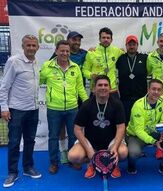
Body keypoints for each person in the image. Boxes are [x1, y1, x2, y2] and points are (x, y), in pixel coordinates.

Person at [40, 40, 88, 174]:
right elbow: (38, 82)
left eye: (67, 51)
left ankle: (74, 160)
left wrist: (87, 103)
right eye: (62, 50)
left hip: (73, 108)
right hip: (54, 109)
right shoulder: (47, 66)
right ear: (56, 51)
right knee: (53, 136)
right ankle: (54, 163)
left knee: (73, 136)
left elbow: (80, 88)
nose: (65, 53)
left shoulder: (75, 67)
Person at [0, 35, 41, 187]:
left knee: (30, 140)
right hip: (16, 110)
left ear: (37, 47)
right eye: (28, 45)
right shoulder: (13, 61)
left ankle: (28, 167)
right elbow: (4, 87)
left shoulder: (36, 62)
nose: (31, 48)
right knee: (14, 142)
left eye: (33, 45)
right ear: (23, 46)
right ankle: (12, 172)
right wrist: (4, 108)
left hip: (33, 109)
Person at [68, 75, 128, 179]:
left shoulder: (117, 104)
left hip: (111, 141)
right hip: (90, 142)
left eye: (106, 85)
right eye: (100, 85)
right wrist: (88, 150)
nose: (103, 87)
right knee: (73, 156)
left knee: (123, 152)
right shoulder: (86, 105)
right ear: (94, 88)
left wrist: (114, 147)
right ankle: (92, 163)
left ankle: (113, 164)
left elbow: (121, 128)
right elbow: (77, 129)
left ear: (110, 88)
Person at [49, 31, 88, 165]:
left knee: (75, 131)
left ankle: (73, 156)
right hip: (58, 101)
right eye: (74, 40)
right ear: (68, 41)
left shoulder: (84, 54)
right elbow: (47, 74)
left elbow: (94, 58)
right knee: (60, 130)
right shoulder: (55, 56)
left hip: (76, 98)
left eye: (78, 40)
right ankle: (62, 152)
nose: (76, 42)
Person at [126, 79, 163, 176]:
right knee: (134, 153)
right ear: (148, 89)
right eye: (153, 89)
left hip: (155, 132)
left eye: (159, 90)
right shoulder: (138, 105)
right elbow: (138, 130)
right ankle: (131, 164)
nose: (156, 92)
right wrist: (154, 142)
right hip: (136, 136)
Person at [82, 27, 123, 98]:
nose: (106, 40)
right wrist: (91, 75)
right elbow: (84, 70)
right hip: (96, 90)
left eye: (108, 38)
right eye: (103, 37)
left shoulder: (117, 51)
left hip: (112, 91)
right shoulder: (92, 53)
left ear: (111, 39)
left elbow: (126, 52)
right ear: (99, 39)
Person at [116, 35, 148, 124]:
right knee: (127, 121)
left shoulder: (145, 58)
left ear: (137, 46)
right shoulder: (120, 58)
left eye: (134, 44)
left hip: (141, 97)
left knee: (141, 121)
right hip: (125, 98)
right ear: (126, 46)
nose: (132, 46)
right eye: (129, 44)